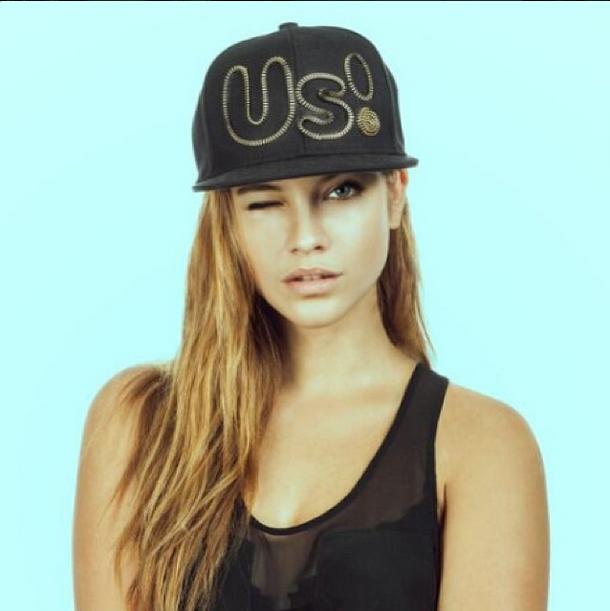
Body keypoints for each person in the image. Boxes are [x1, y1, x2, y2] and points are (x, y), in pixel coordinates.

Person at [72, 22, 550, 611]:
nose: (305, 237)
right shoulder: (137, 425)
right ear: (227, 221)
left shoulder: (480, 445)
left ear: (395, 194)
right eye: (265, 202)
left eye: (341, 191)